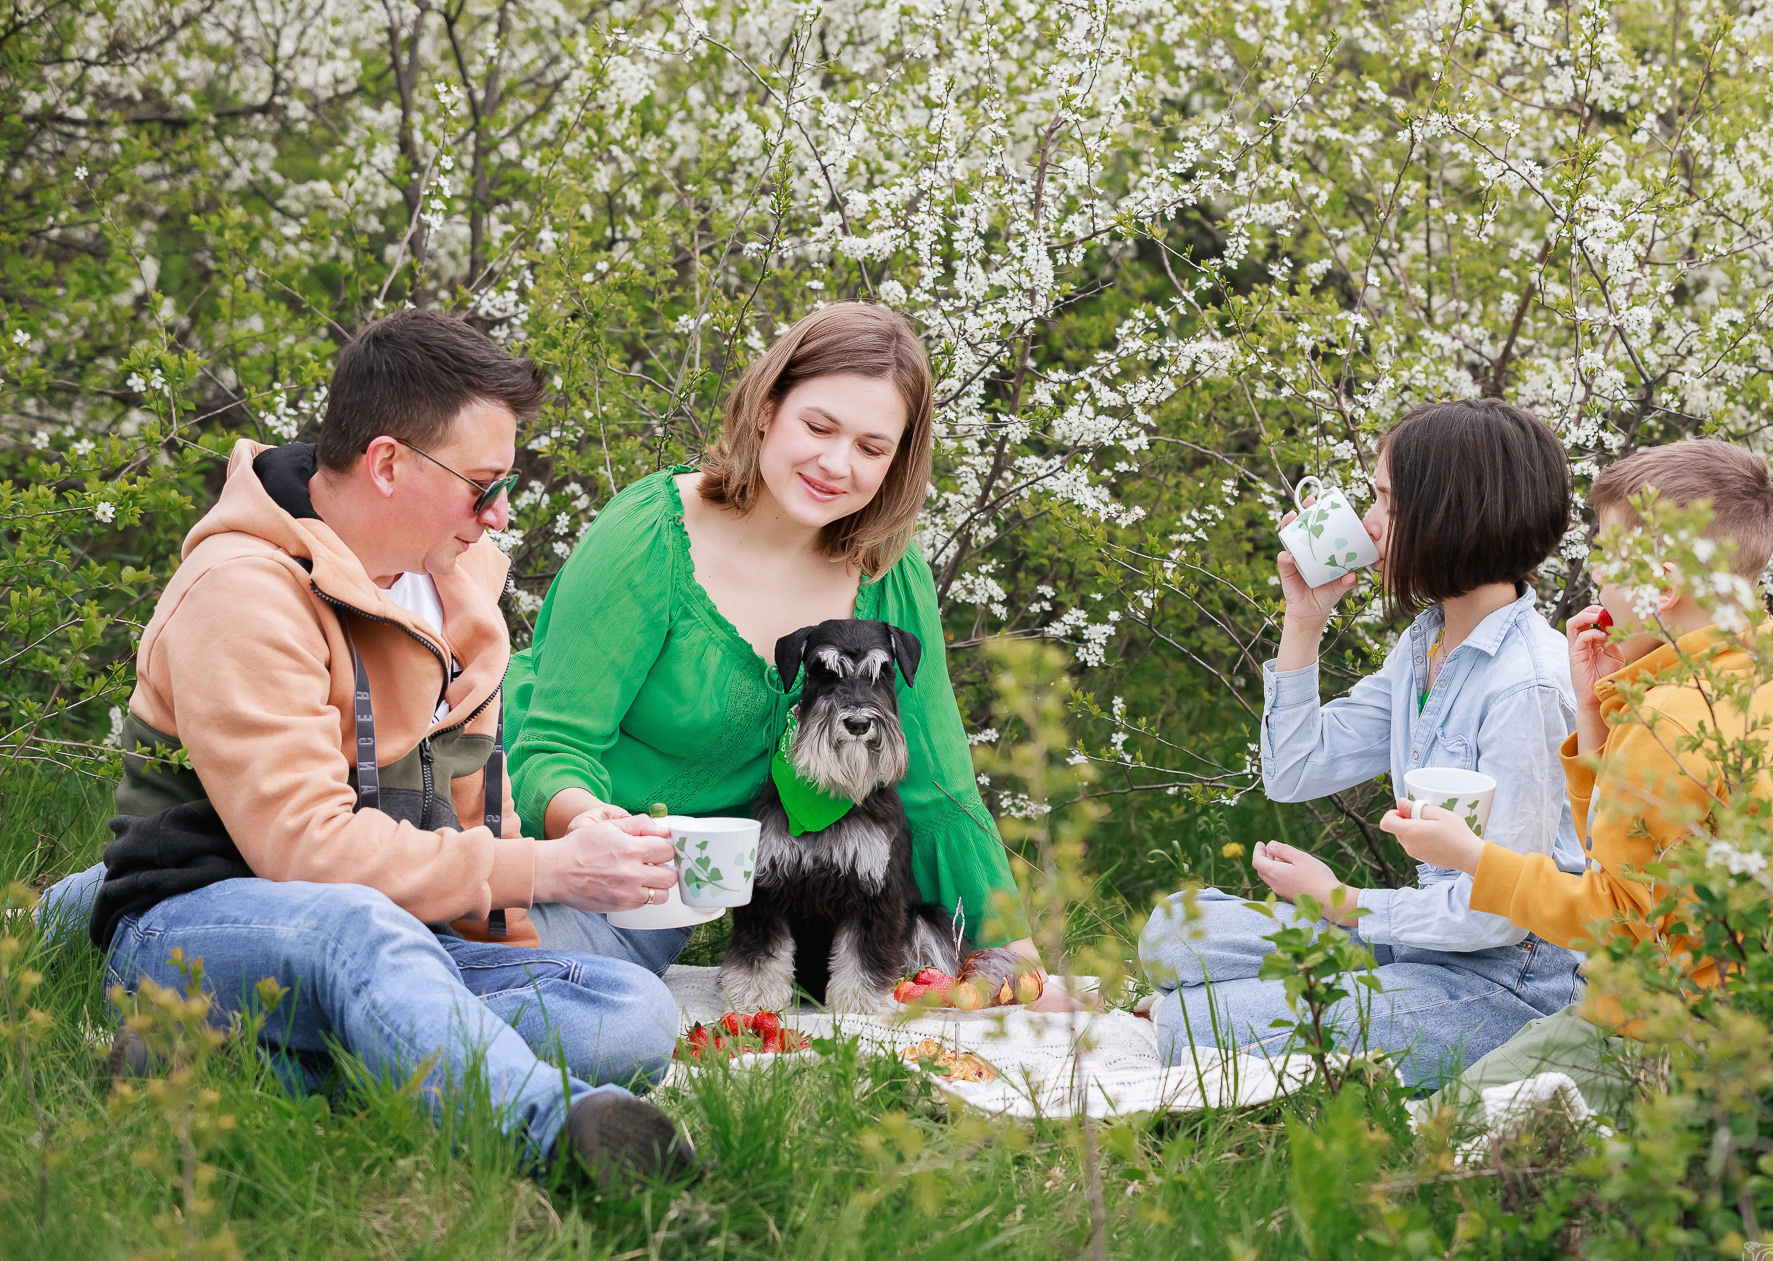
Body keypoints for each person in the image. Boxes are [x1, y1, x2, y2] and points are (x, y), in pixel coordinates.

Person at [38, 311, 697, 1184]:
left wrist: (517, 945)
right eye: (482, 485)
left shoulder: (450, 593)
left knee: (628, 1015)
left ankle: (233, 1060)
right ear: (388, 463)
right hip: (194, 914)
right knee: (359, 930)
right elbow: (307, 849)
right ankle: (554, 1138)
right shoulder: (241, 593)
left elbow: (472, 810)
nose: (499, 514)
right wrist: (550, 868)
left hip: (398, 931)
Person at [503, 302, 1026, 976]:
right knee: (463, 955)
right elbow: (555, 744)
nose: (837, 464)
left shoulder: (888, 573)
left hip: (654, 899)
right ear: (764, 408)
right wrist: (590, 828)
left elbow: (937, 787)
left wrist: (1016, 957)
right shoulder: (650, 536)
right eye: (817, 426)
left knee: (583, 1001)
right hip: (526, 827)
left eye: (872, 448)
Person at [1139, 398, 1588, 1089]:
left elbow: (1496, 916)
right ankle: (1330, 987)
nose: (1369, 524)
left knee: (1188, 1026)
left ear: (1447, 515)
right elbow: (1293, 769)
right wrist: (1305, 620)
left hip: (1507, 985)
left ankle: (1283, 1000)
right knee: (1174, 928)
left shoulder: (1526, 686)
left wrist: (1341, 902)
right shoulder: (1426, 645)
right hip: (1418, 943)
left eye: (1385, 501)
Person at [1384, 437, 1773, 1120]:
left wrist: (1470, 858)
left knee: (1430, 1133)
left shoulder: (1673, 720)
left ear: (1662, 584)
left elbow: (1614, 917)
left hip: (1647, 1035)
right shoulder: (1751, 683)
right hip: (1726, 1024)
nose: (1595, 575)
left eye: (1609, 555)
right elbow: (1632, 861)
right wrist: (1597, 713)